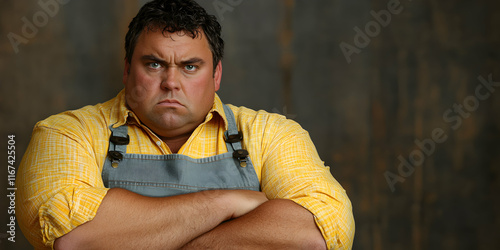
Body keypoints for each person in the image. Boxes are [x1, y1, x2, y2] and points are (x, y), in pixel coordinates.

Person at [16, 0, 354, 249]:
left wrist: (155, 239)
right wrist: (227, 203)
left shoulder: (272, 134)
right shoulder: (66, 132)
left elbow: (319, 234)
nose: (171, 82)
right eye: (154, 64)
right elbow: (75, 239)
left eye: (190, 66)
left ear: (216, 74)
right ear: (127, 69)